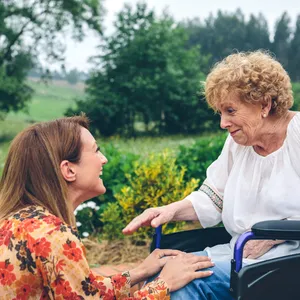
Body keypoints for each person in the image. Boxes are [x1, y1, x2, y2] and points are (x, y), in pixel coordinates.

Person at [123, 50, 300, 299]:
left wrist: (271, 238)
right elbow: (213, 197)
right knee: (164, 275)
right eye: (220, 113)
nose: (223, 123)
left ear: (264, 104)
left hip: (289, 260)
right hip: (239, 253)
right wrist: (170, 210)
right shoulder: (239, 143)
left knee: (185, 286)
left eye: (230, 110)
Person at [0, 115, 215, 299]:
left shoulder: (19, 221)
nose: (104, 159)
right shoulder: (53, 235)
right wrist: (164, 284)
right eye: (96, 151)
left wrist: (139, 272)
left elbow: (84, 291)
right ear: (69, 170)